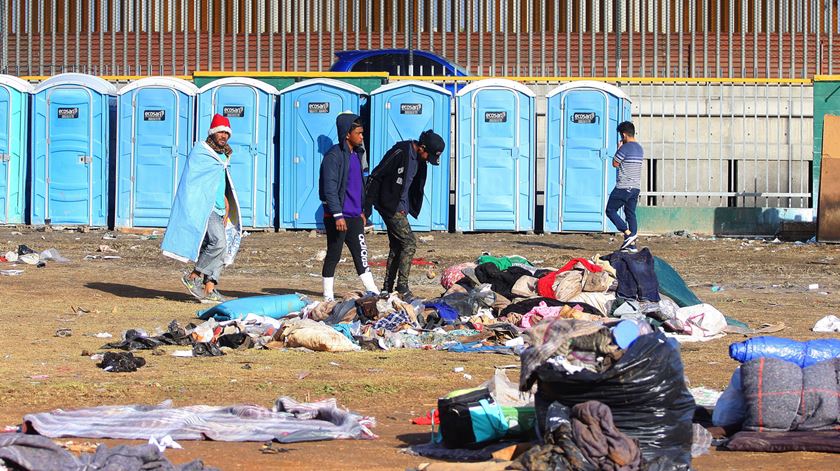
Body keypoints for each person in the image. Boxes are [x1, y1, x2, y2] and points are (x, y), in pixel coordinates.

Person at [162, 113, 242, 303]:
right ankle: (193, 276)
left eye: (226, 133)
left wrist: (227, 203)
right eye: (220, 132)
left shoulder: (224, 155)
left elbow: (218, 180)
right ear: (213, 133)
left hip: (220, 207)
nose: (223, 136)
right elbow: (195, 181)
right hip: (205, 207)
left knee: (220, 248)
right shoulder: (202, 151)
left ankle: (210, 287)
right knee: (218, 243)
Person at [366, 129, 445, 296]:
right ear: (421, 147)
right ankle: (402, 286)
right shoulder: (401, 152)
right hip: (389, 206)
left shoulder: (421, 161)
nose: (429, 161)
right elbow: (376, 175)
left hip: (401, 207)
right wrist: (366, 208)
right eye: (429, 155)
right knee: (409, 243)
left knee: (397, 246)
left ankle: (387, 288)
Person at [319, 112, 380, 300]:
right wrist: (337, 214)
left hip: (355, 215)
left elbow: (359, 185)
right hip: (338, 217)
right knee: (334, 254)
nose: (362, 136)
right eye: (359, 133)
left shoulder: (357, 154)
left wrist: (362, 211)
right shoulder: (333, 156)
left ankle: (374, 291)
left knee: (361, 253)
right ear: (347, 134)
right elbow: (329, 187)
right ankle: (328, 295)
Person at [605, 121, 644, 253]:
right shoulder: (639, 148)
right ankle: (632, 246)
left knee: (610, 210)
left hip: (624, 186)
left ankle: (628, 233)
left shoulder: (625, 148)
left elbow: (615, 163)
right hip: (635, 187)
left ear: (624, 134)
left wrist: (619, 148)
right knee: (630, 214)